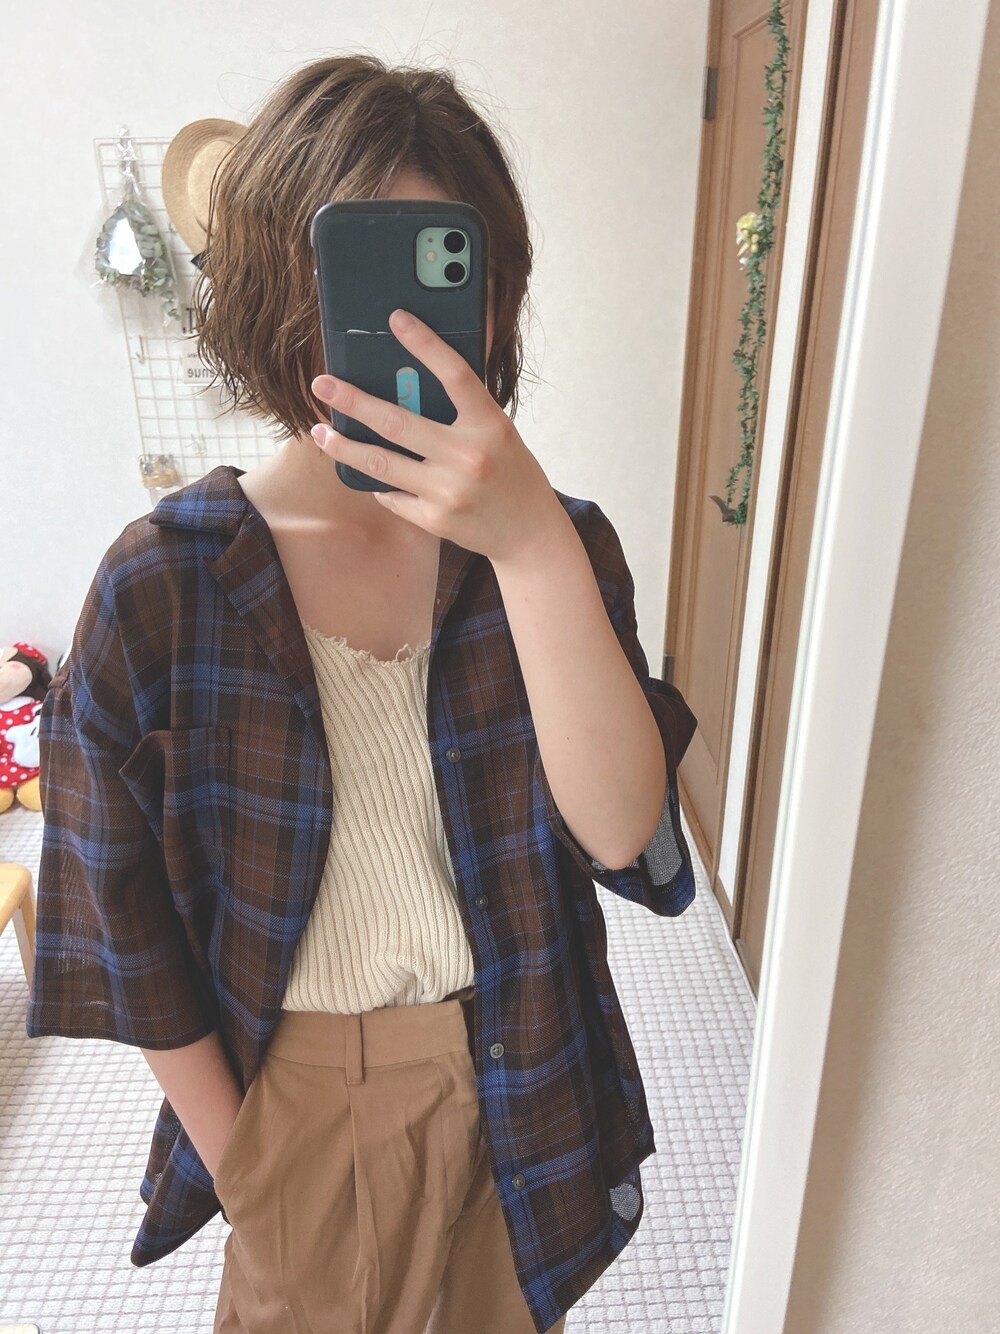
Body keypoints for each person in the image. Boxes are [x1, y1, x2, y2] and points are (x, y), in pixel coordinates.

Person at [26, 54, 699, 1334]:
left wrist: (531, 548)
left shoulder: (558, 548)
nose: (410, 331)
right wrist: (245, 1164)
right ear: (275, 294)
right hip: (305, 1090)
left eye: (451, 276)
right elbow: (118, 917)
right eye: (356, 283)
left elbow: (625, 832)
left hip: (528, 1059)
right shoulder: (163, 583)